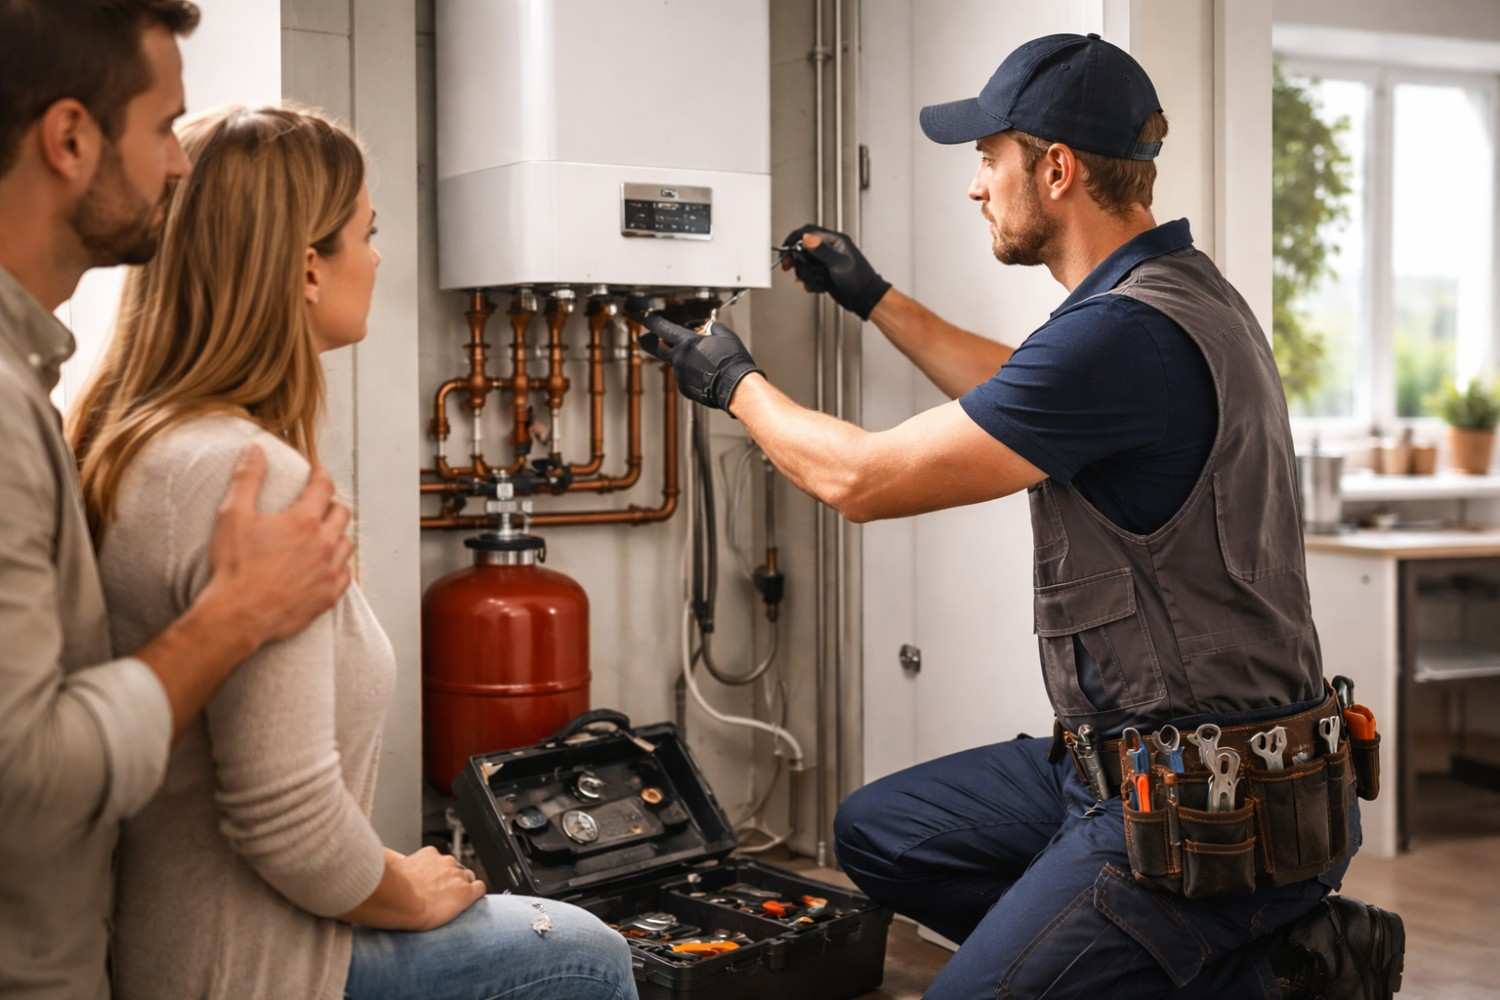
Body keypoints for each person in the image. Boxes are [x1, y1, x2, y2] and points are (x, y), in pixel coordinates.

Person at [636, 33, 1406, 1000]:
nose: (976, 187)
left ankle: (1254, 969)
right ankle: (1136, 959)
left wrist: (731, 381)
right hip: (1145, 769)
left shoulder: (1122, 332)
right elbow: (1017, 389)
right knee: (882, 830)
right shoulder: (1172, 295)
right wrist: (872, 298)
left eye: (988, 158)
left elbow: (864, 482)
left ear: (1056, 168)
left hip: (1203, 813)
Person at [68, 103, 636, 1000]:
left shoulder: (127, 441)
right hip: (255, 966)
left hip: (155, 938)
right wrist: (398, 889)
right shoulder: (251, 480)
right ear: (304, 267)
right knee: (582, 951)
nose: (377, 259)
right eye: (367, 234)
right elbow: (282, 819)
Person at [0, 3, 354, 996]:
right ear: (70, 139)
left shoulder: (51, 391)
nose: (178, 166)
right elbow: (28, 782)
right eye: (164, 128)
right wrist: (236, 615)